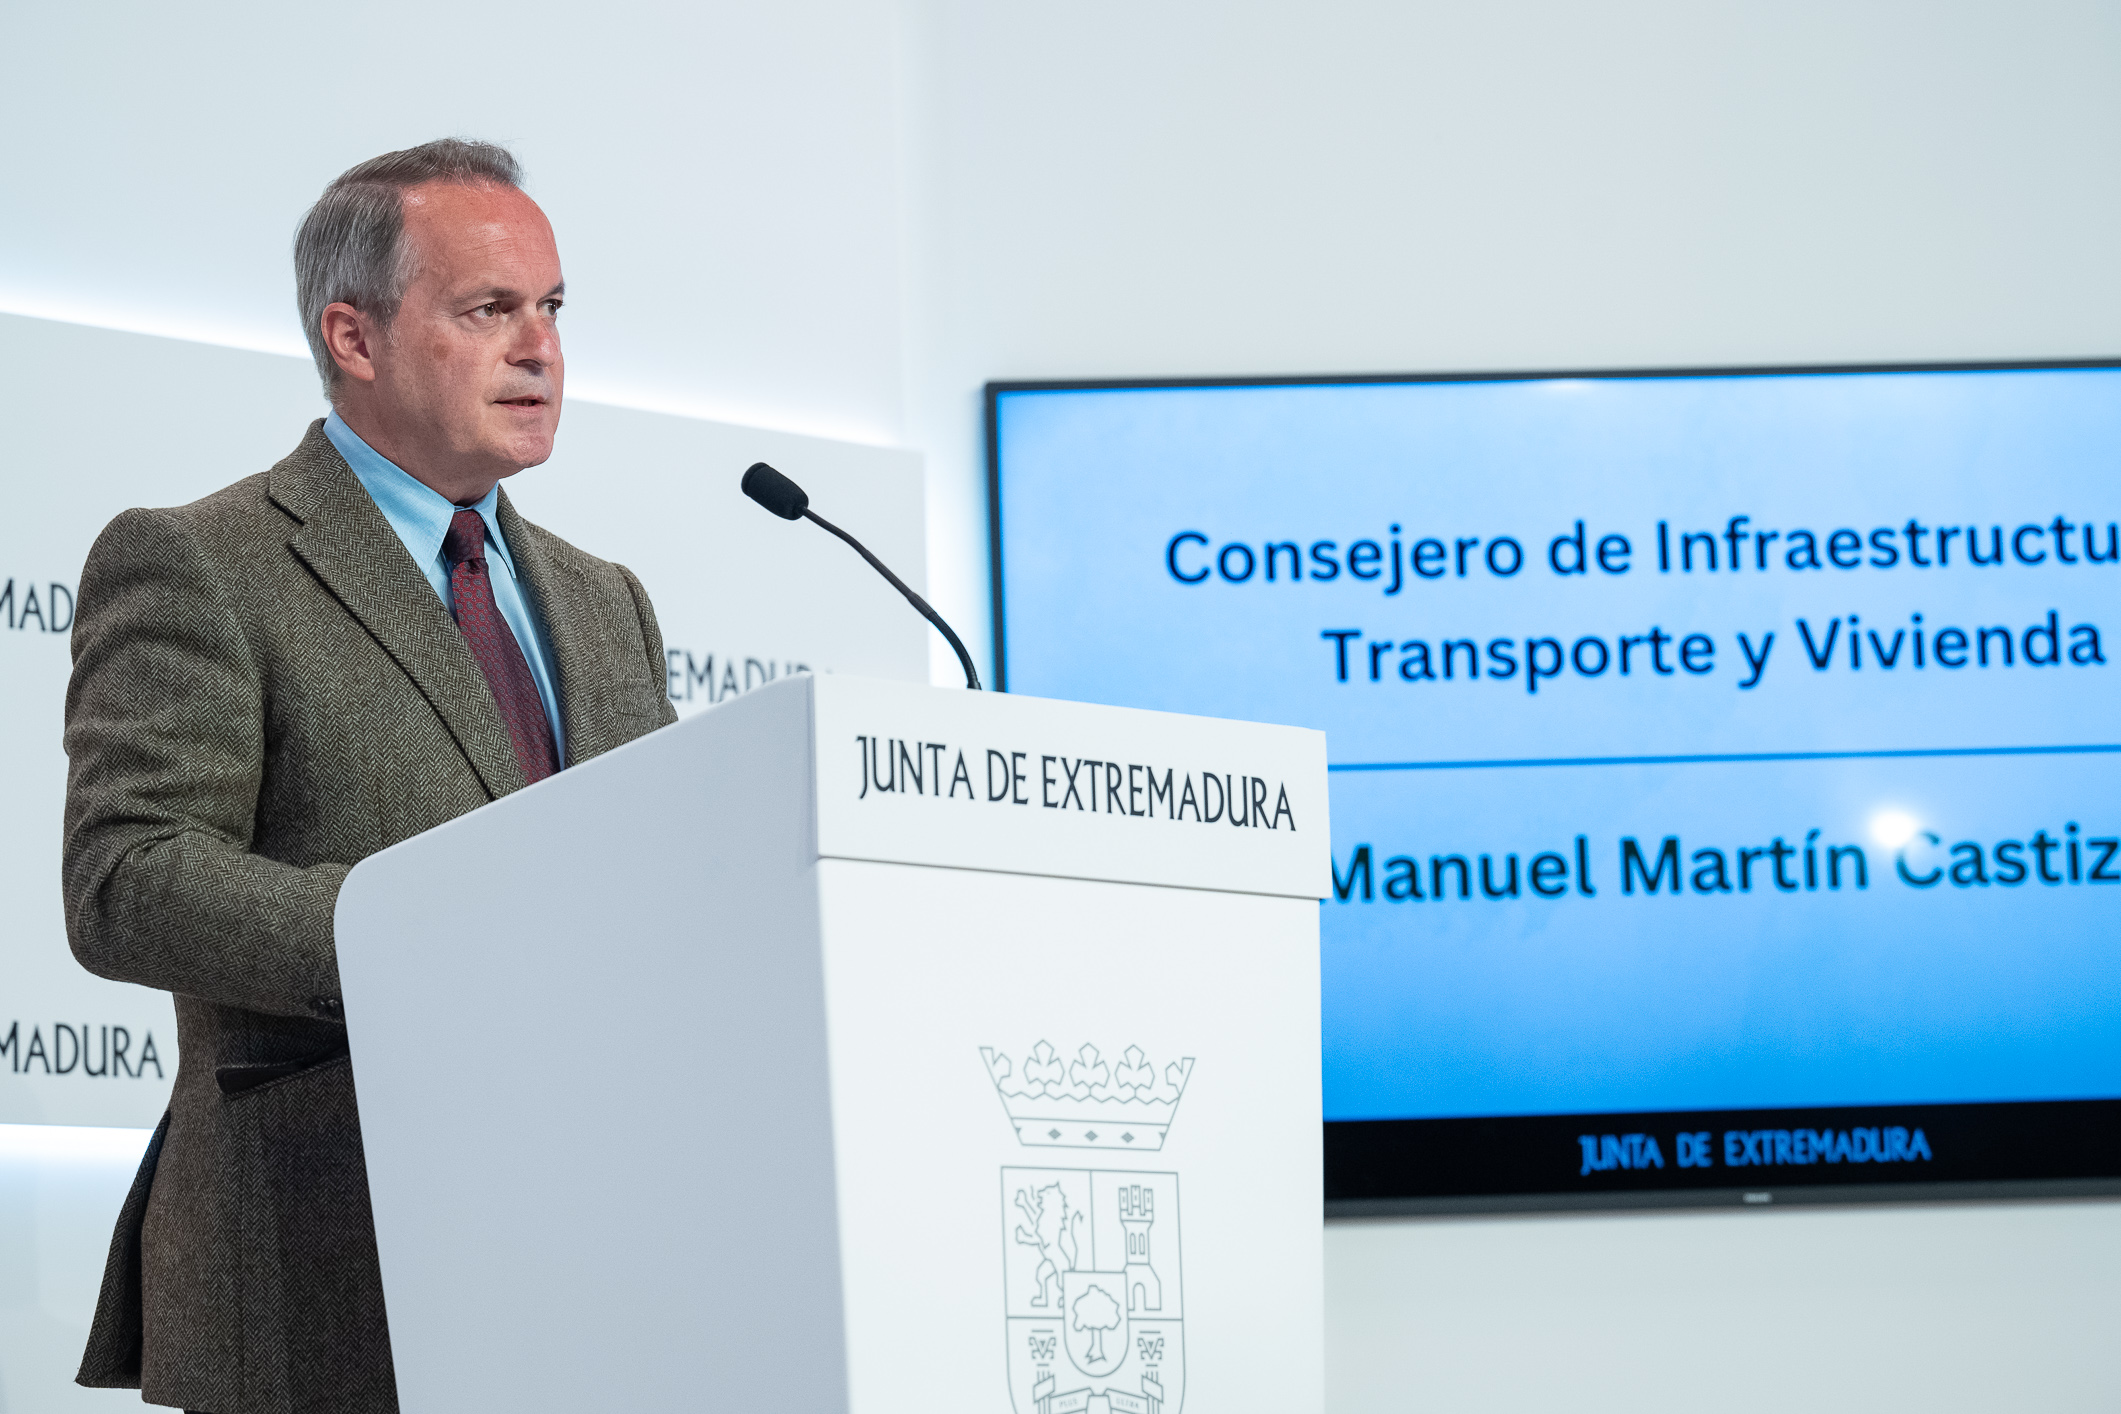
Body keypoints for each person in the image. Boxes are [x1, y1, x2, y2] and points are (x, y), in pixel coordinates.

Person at [63, 138, 678, 1413]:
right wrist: (429, 936)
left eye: (552, 308)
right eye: (489, 309)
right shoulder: (202, 562)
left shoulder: (604, 601)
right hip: (324, 1271)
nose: (541, 347)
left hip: (601, 1265)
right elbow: (127, 878)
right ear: (354, 335)